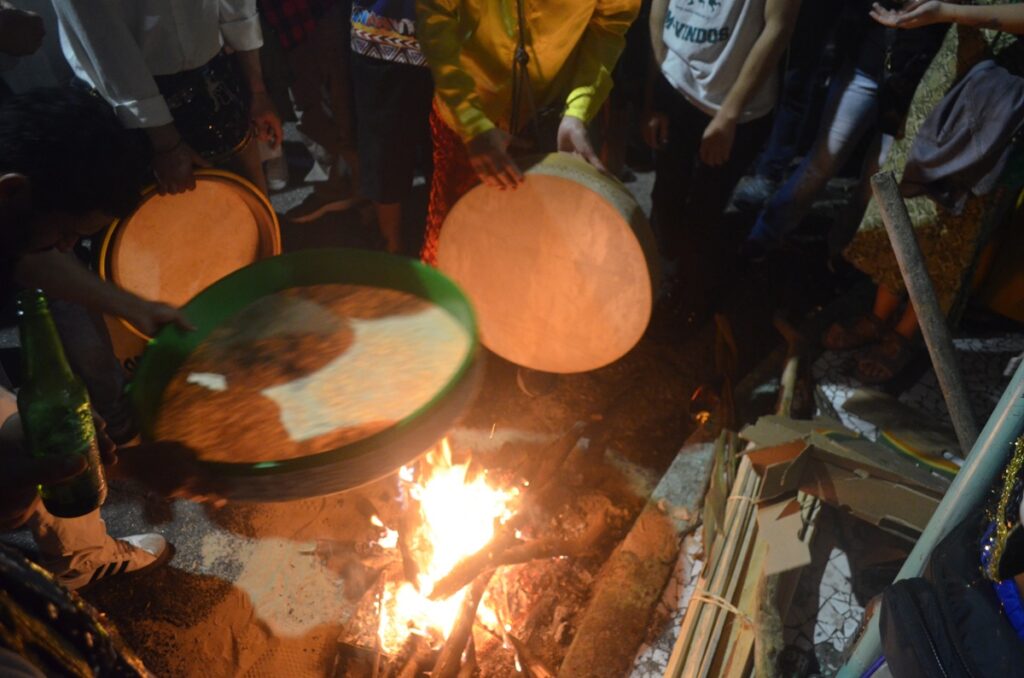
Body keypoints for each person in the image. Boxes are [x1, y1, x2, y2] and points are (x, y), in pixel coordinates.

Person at [0, 87, 209, 590]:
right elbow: (8, 496)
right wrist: (132, 466)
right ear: (13, 191)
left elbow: (31, 253)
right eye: (66, 234)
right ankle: (67, 573)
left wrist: (137, 308)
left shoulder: (13, 208)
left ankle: (80, 552)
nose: (69, 250)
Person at [828, 0, 1024, 384]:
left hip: (1004, 95)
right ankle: (878, 315)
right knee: (908, 198)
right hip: (955, 67)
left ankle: (904, 334)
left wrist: (949, 12)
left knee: (956, 225)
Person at [416, 0, 641, 265]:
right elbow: (434, 12)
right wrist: (471, 121)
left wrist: (578, 109)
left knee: (533, 256)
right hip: (467, 114)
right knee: (449, 248)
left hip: (548, 118)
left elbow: (610, 24)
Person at [645, 0, 801, 323]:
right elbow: (660, 6)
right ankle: (656, 280)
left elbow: (779, 27)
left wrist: (729, 115)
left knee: (704, 209)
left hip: (735, 109)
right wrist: (658, 88)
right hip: (675, 88)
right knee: (665, 194)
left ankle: (692, 300)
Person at [53, 0, 283, 195]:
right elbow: (104, 43)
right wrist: (165, 142)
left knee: (253, 207)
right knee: (177, 227)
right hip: (130, 104)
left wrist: (257, 91)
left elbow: (237, 6)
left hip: (214, 75)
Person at [260, 0, 363, 221]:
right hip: (296, 21)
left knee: (326, 104)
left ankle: (359, 190)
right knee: (320, 104)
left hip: (309, 17)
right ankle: (343, 184)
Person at [350, 0, 434, 253]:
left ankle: (444, 243)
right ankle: (391, 247)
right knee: (384, 150)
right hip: (382, 34)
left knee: (446, 155)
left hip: (453, 41)